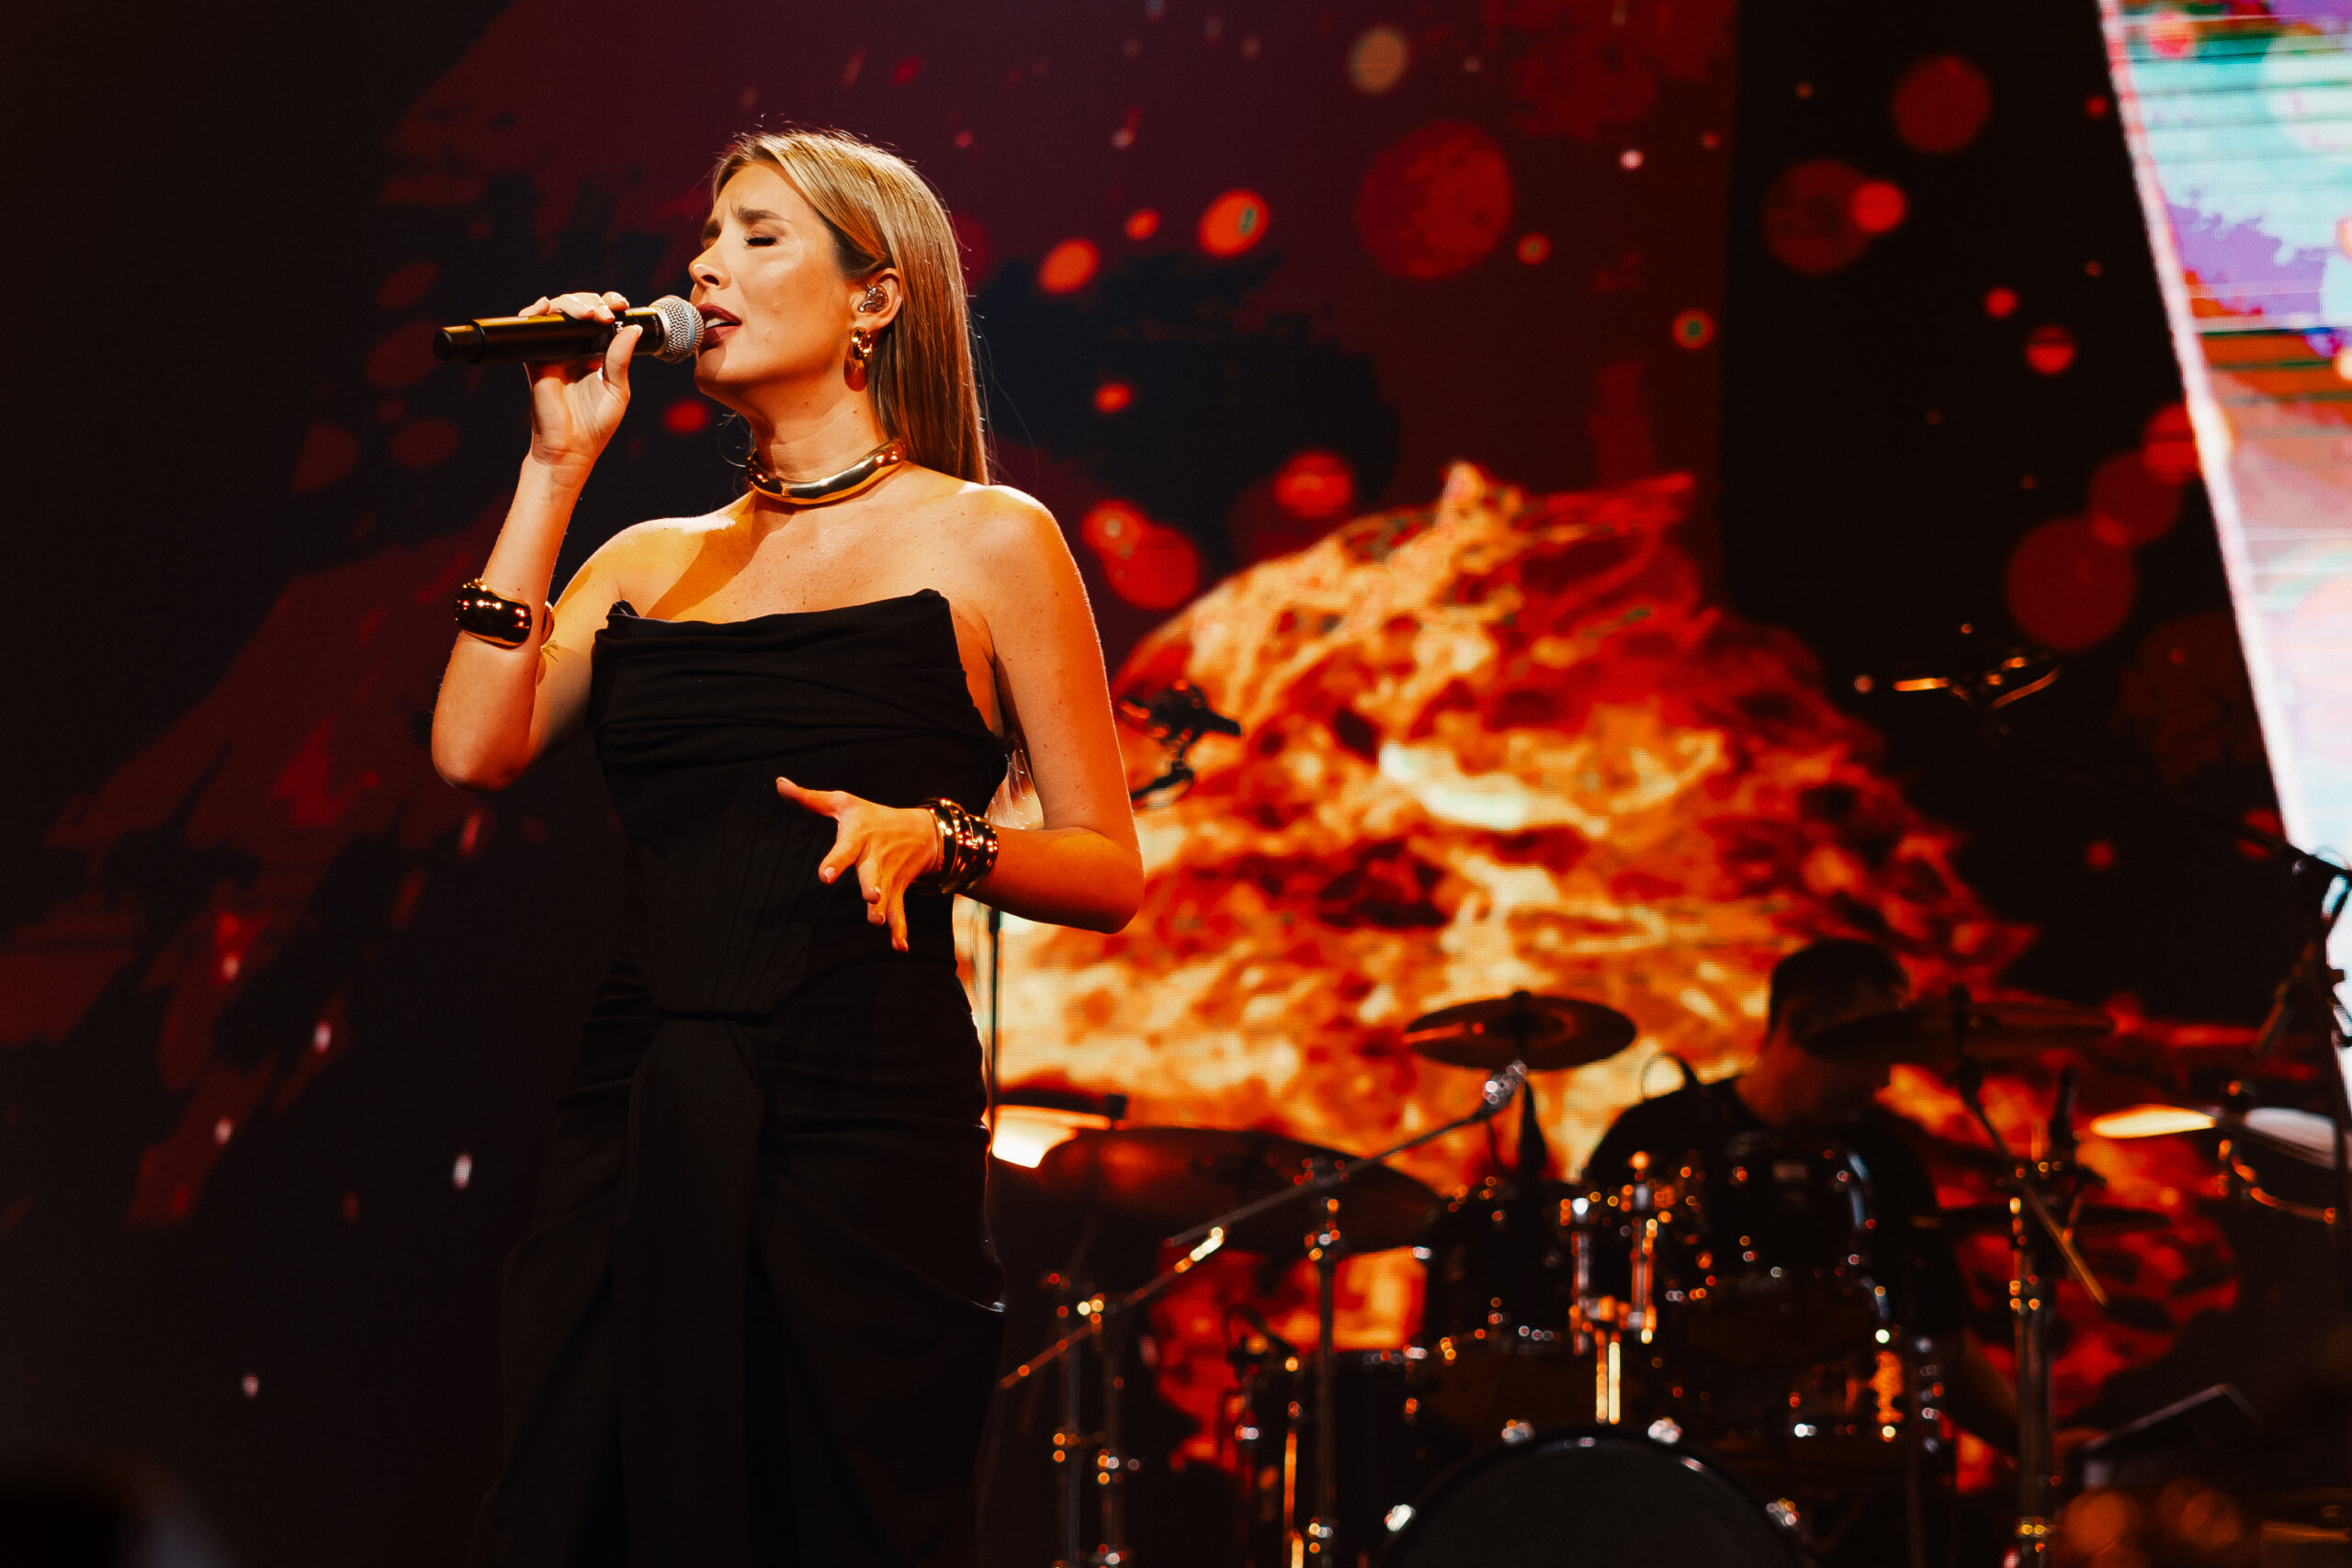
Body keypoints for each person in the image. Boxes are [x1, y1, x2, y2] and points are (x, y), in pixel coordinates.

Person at [430, 128, 1143, 1567]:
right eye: (707, 237)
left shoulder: (990, 540)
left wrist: (941, 837)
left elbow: (1107, 866)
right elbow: (469, 746)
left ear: (875, 297)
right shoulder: (647, 560)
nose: (706, 266)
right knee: (584, 1508)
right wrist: (554, 469)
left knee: (841, 1518)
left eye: (758, 235)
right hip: (644, 1097)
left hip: (860, 1110)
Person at [1582, 940, 2017, 1561]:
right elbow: (1588, 1317)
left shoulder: (1889, 1163)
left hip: (1853, 1483)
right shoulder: (1655, 1138)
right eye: (1870, 1045)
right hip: (1680, 1478)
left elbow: (1942, 1340)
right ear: (1802, 1023)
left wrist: (2036, 1443)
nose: (1884, 1077)